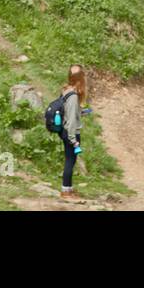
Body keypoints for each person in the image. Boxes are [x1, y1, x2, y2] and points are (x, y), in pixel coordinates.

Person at [59, 64, 87, 200]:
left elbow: (68, 111)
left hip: (66, 130)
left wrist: (80, 112)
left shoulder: (66, 90)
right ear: (80, 79)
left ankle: (69, 189)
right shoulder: (73, 96)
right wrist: (73, 139)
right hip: (71, 132)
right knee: (70, 161)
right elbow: (70, 119)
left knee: (71, 160)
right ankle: (65, 192)